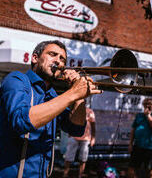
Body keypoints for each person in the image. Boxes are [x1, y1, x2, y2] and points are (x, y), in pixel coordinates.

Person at [0, 40, 102, 178]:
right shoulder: (17, 79)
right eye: (52, 54)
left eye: (62, 59)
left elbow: (76, 129)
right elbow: (20, 121)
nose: (58, 62)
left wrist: (79, 95)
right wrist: (73, 93)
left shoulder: (53, 95)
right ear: (35, 58)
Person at [128, 98, 152, 178]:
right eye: (146, 104)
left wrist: (148, 115)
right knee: (132, 168)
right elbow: (133, 130)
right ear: (143, 105)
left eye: (150, 104)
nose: (148, 105)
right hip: (137, 146)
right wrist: (130, 144)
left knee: (150, 170)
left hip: (150, 148)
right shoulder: (139, 116)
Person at [63, 105, 96, 178]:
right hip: (73, 137)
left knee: (83, 158)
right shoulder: (74, 110)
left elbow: (93, 126)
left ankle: (80, 175)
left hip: (86, 138)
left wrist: (93, 138)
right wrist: (69, 133)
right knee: (68, 157)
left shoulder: (90, 111)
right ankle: (65, 174)